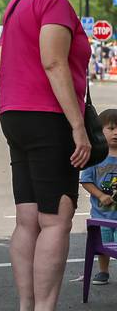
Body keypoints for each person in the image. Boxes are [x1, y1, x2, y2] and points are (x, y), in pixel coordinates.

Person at [0, 0, 92, 311]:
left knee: (28, 218)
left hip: (14, 114)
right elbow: (54, 63)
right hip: (48, 117)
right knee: (57, 220)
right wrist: (78, 127)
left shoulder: (19, 0)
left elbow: (2, 62)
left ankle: (27, 305)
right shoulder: (53, 5)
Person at [80, 108, 117, 285]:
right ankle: (103, 271)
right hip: (102, 215)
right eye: (110, 128)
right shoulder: (97, 157)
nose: (115, 133)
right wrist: (100, 195)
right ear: (100, 131)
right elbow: (86, 180)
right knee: (103, 245)